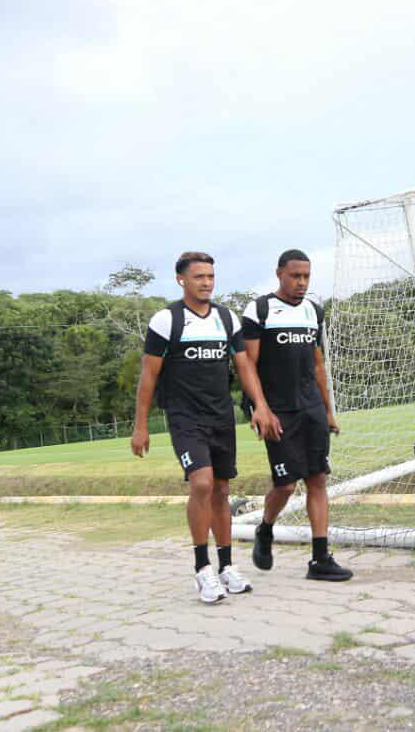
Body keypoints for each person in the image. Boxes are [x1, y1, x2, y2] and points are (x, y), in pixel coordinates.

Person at [131, 251, 281, 604]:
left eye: (211, 276)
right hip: (185, 417)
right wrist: (140, 426)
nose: (207, 282)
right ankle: (202, 569)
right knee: (201, 483)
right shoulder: (166, 321)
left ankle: (226, 566)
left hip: (221, 416)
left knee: (221, 490)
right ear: (181, 279)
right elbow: (148, 376)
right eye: (199, 276)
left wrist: (260, 405)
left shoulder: (226, 318)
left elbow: (243, 366)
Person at [244, 250, 352, 581]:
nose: (301, 282)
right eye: (295, 276)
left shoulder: (313, 311)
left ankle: (320, 559)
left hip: (311, 408)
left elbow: (318, 364)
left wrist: (328, 411)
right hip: (277, 411)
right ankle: (265, 529)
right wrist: (260, 408)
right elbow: (248, 364)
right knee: (287, 485)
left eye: (306, 276)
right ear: (280, 274)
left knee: (317, 479)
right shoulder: (260, 310)